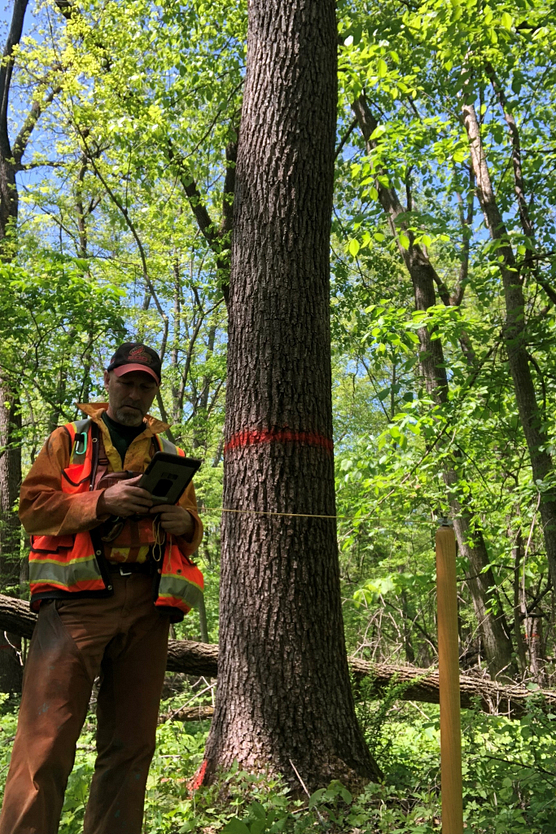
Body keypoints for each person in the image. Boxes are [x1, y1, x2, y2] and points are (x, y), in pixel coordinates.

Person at [0, 343, 204, 834]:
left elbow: (190, 523)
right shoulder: (68, 439)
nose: (134, 393)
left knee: (132, 745)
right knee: (45, 741)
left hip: (149, 604)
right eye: (126, 382)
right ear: (108, 379)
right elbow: (32, 509)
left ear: (155, 390)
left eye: (145, 385)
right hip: (76, 605)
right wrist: (101, 501)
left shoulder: (169, 453)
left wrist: (185, 522)